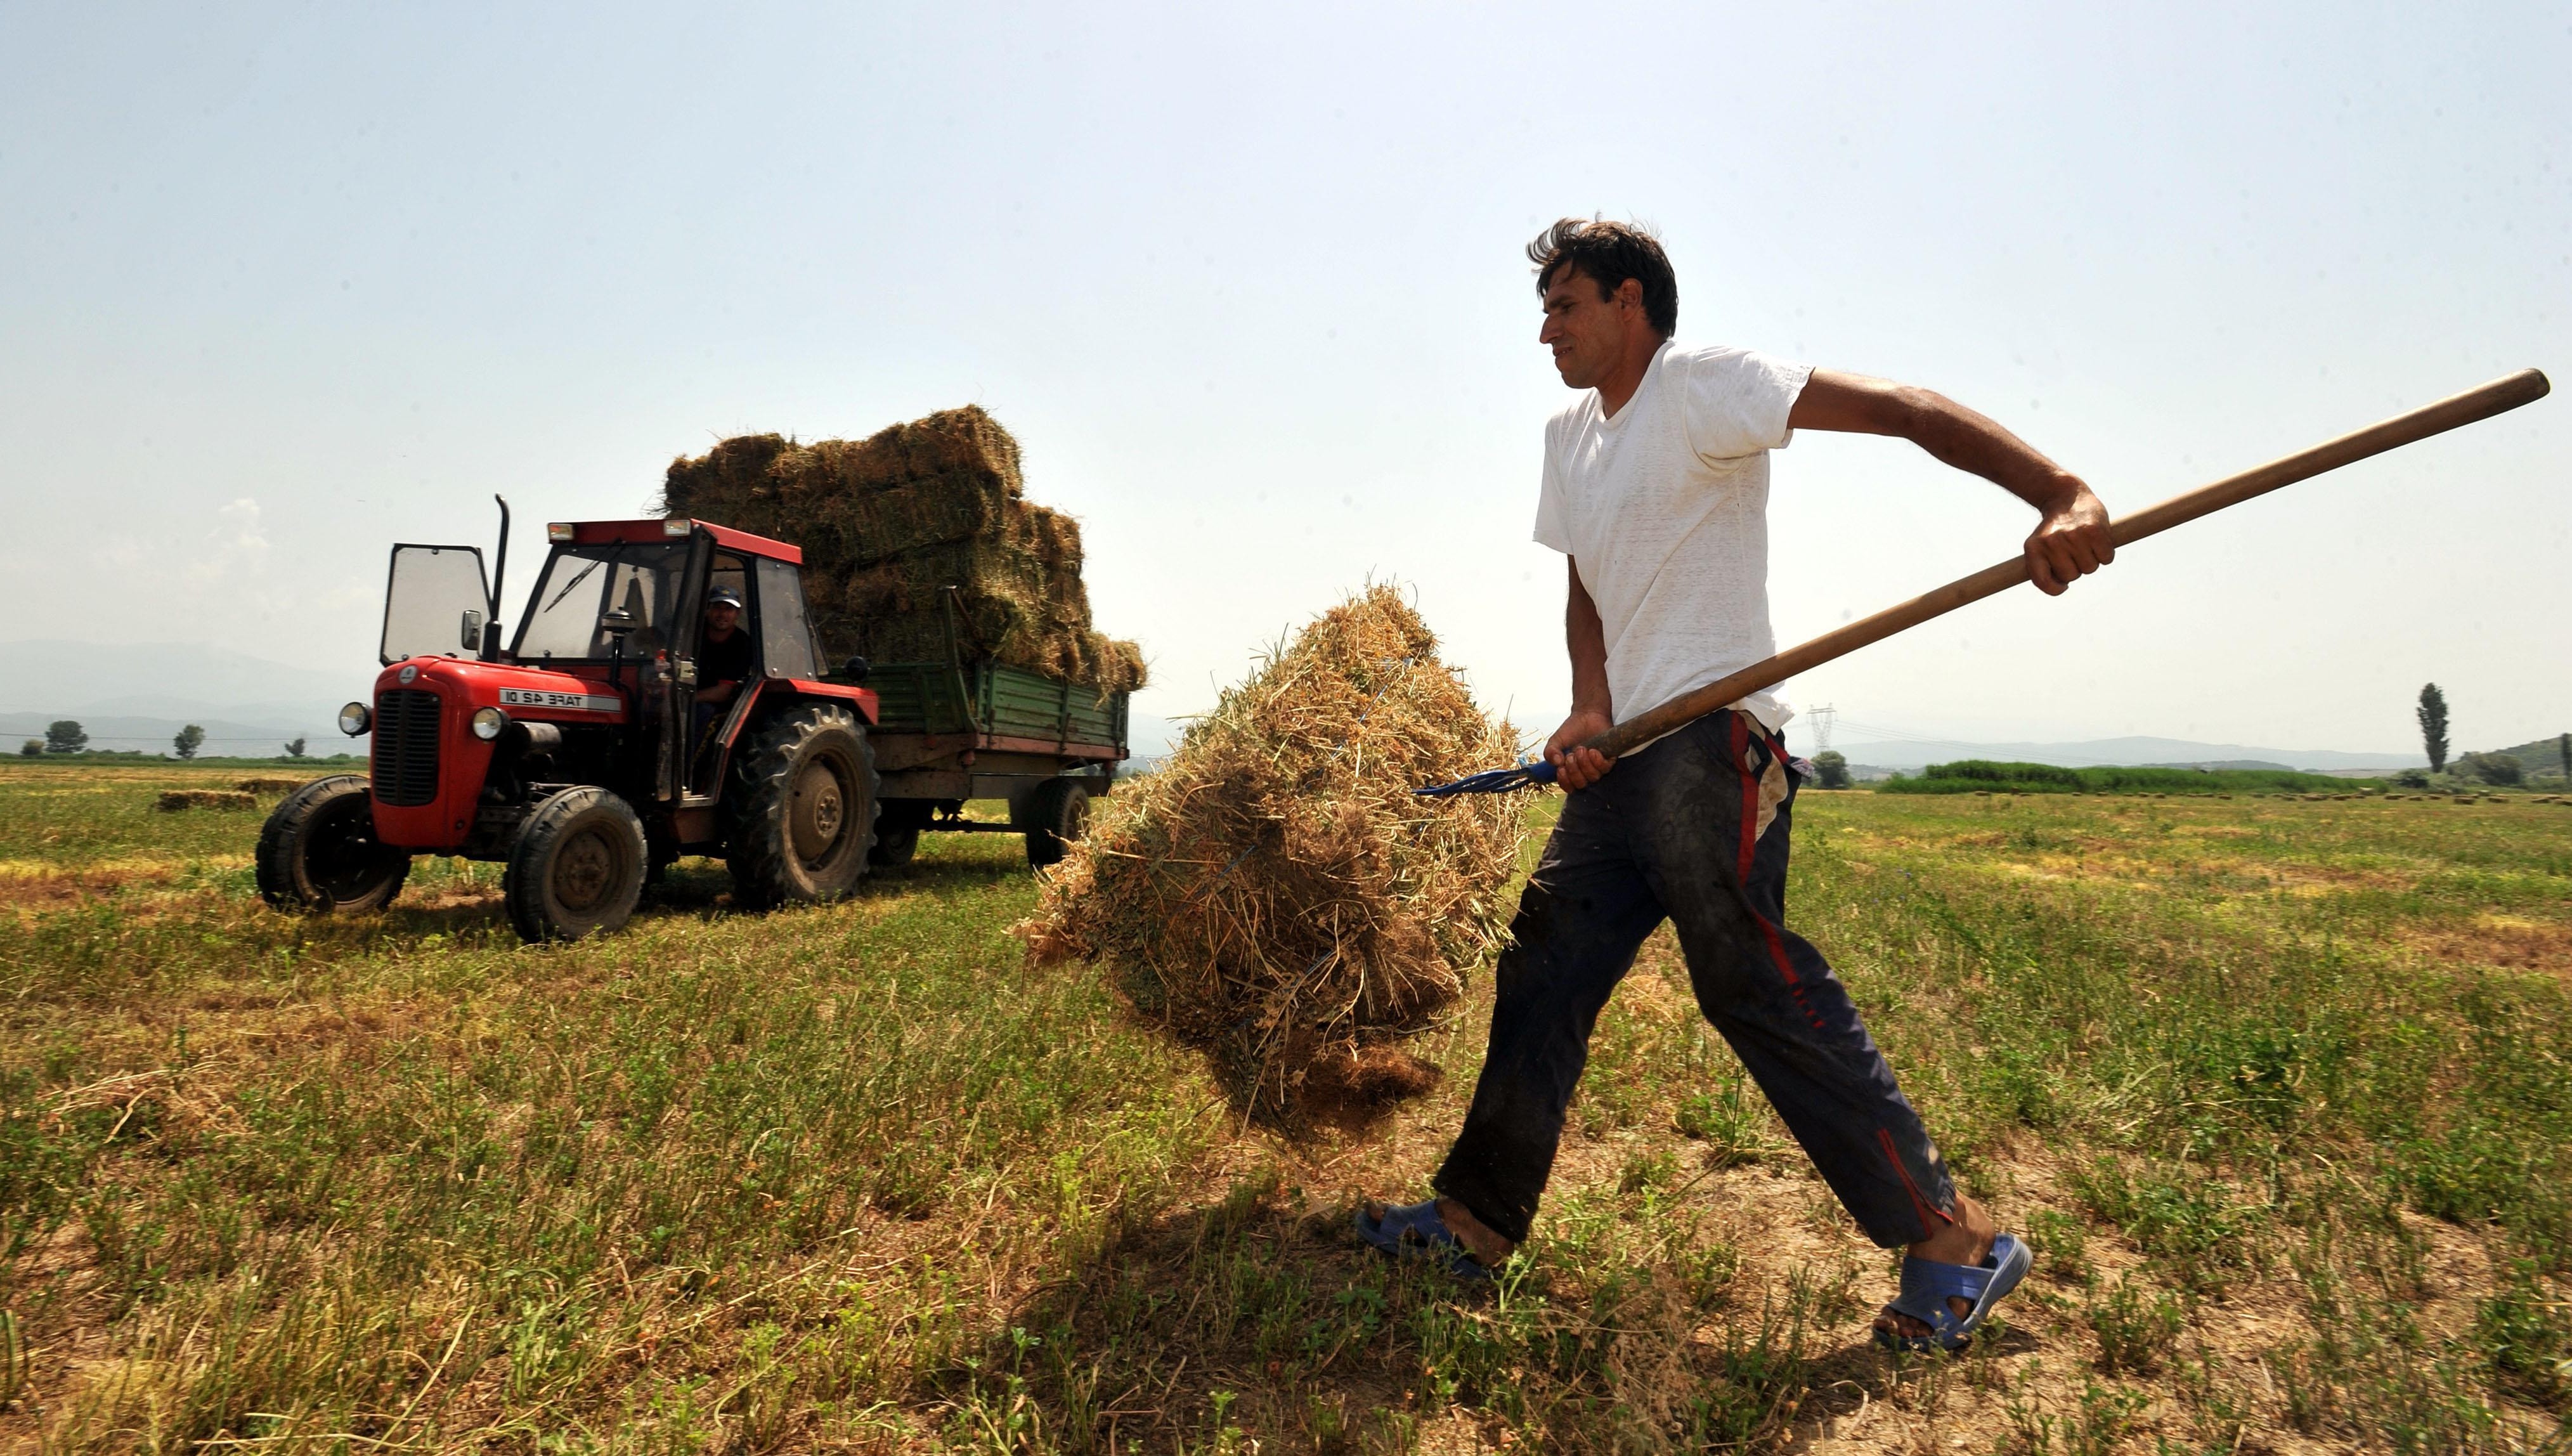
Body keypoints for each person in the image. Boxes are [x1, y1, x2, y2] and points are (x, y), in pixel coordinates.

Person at [1359, 219, 2115, 1355]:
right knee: (1543, 961)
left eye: (1564, 306)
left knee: (1747, 980)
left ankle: (1955, 1241)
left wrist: (2059, 492)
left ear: (1629, 301)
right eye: (1544, 309)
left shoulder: (1705, 385)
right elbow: (1586, 584)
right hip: (1621, 759)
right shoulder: (1568, 436)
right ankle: (1474, 1221)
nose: (1545, 330)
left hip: (1715, 742)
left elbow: (1906, 408)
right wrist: (1588, 703)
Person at [696, 587, 756, 708]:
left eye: (729, 609)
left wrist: (687, 699)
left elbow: (724, 692)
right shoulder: (693, 633)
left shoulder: (742, 644)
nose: (723, 614)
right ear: (708, 610)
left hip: (717, 705)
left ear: (737, 613)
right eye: (718, 607)